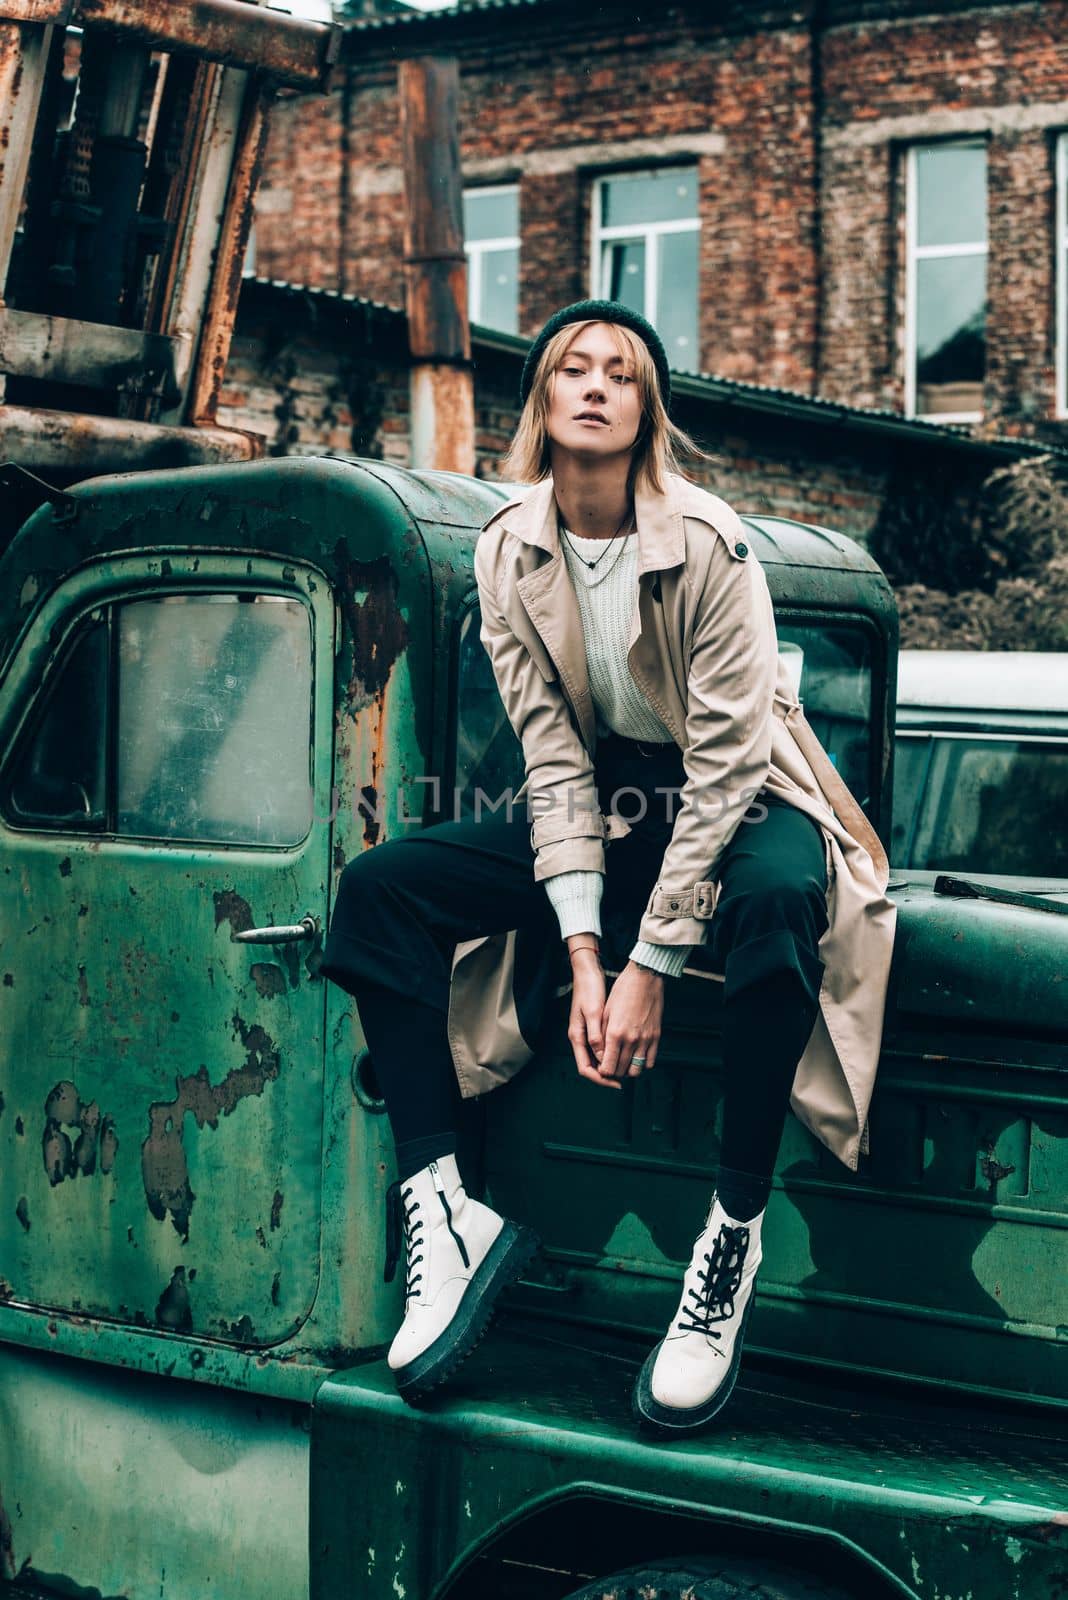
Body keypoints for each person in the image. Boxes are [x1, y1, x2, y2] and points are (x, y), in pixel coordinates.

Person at [318, 299, 896, 1438]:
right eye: (570, 368)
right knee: (383, 888)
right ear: (541, 401)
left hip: (743, 793)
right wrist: (582, 953)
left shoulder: (712, 544)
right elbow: (552, 761)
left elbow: (729, 766)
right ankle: (444, 1204)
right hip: (613, 800)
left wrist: (649, 967)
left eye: (618, 373)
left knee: (784, 898)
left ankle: (727, 1240)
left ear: (646, 409)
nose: (592, 385)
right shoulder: (507, 548)